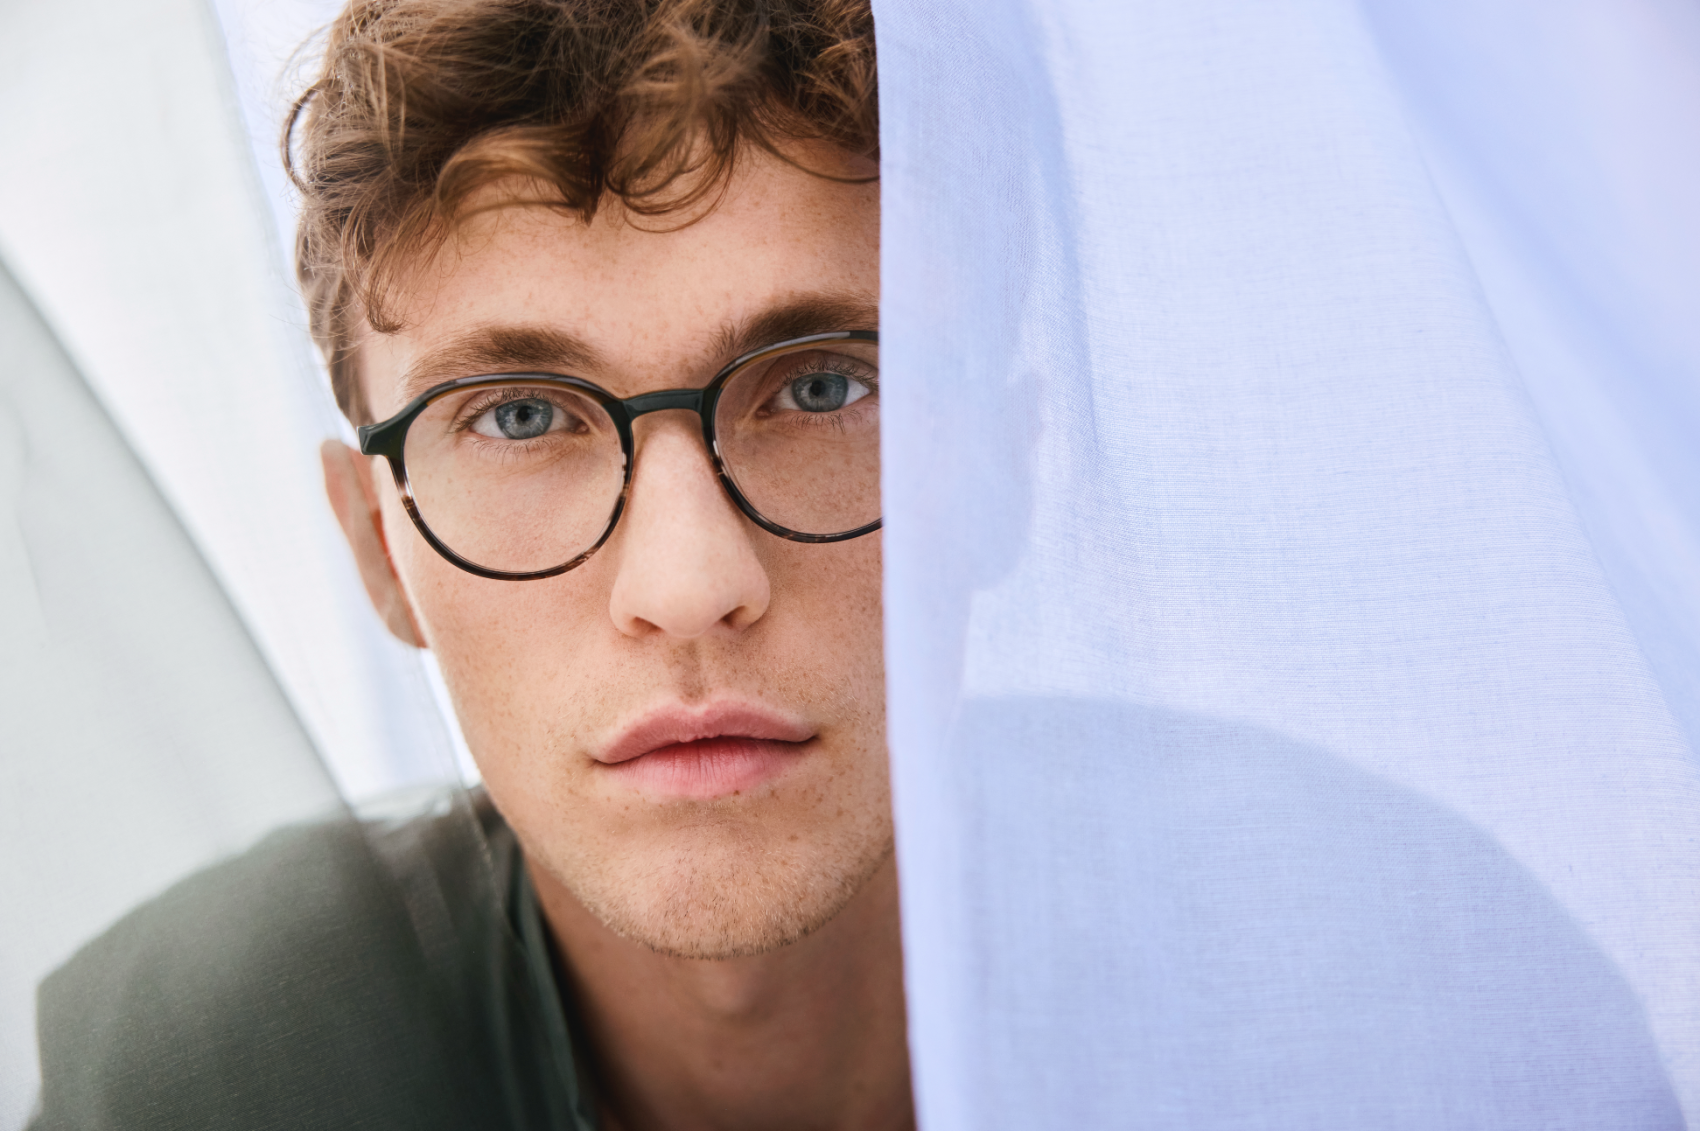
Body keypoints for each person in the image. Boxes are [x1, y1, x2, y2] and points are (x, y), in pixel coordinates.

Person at [30, 2, 909, 1128]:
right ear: (376, 547)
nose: (686, 587)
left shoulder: (1208, 922)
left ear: (1006, 474)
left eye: (820, 387)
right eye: (523, 416)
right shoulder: (202, 1074)